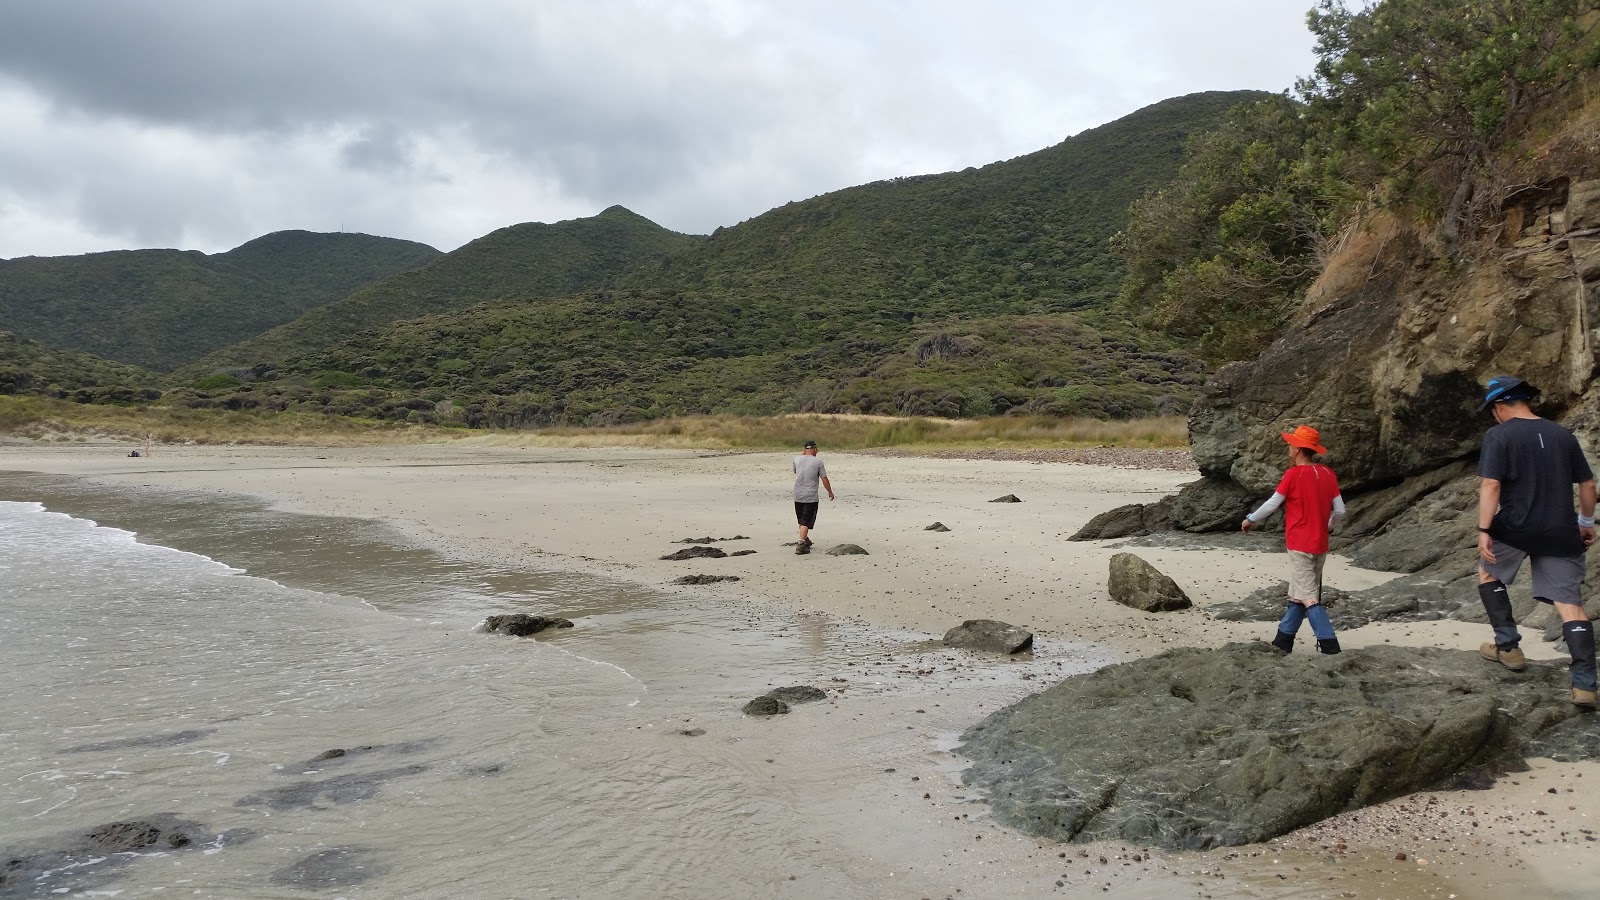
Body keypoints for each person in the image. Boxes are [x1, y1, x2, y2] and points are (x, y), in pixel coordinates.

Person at [1473, 375, 1599, 708]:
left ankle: (1509, 648)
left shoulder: (1498, 436)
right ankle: (1585, 684)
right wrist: (1585, 523)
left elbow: (1491, 486)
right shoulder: (1562, 435)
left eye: (1492, 409)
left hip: (1514, 527)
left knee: (1489, 574)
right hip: (1561, 530)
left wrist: (1484, 530)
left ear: (1500, 407)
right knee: (1570, 605)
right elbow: (1587, 486)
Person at [1241, 425, 1347, 655]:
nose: (1288, 447)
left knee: (1308, 597)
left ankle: (1330, 646)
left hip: (1300, 543)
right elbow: (1340, 510)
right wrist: (1327, 526)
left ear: (1298, 449)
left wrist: (1250, 519)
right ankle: (1283, 641)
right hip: (1320, 543)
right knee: (1298, 593)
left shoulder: (1293, 475)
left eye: (1291, 444)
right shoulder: (1328, 474)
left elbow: (1272, 504)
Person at [792, 439, 834, 555]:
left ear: (804, 450)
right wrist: (830, 492)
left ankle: (805, 539)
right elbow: (824, 479)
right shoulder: (818, 462)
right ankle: (801, 544)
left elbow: (796, 471)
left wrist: (802, 456)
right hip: (810, 496)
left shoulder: (796, 459)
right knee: (806, 521)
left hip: (798, 494)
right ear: (815, 449)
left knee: (801, 519)